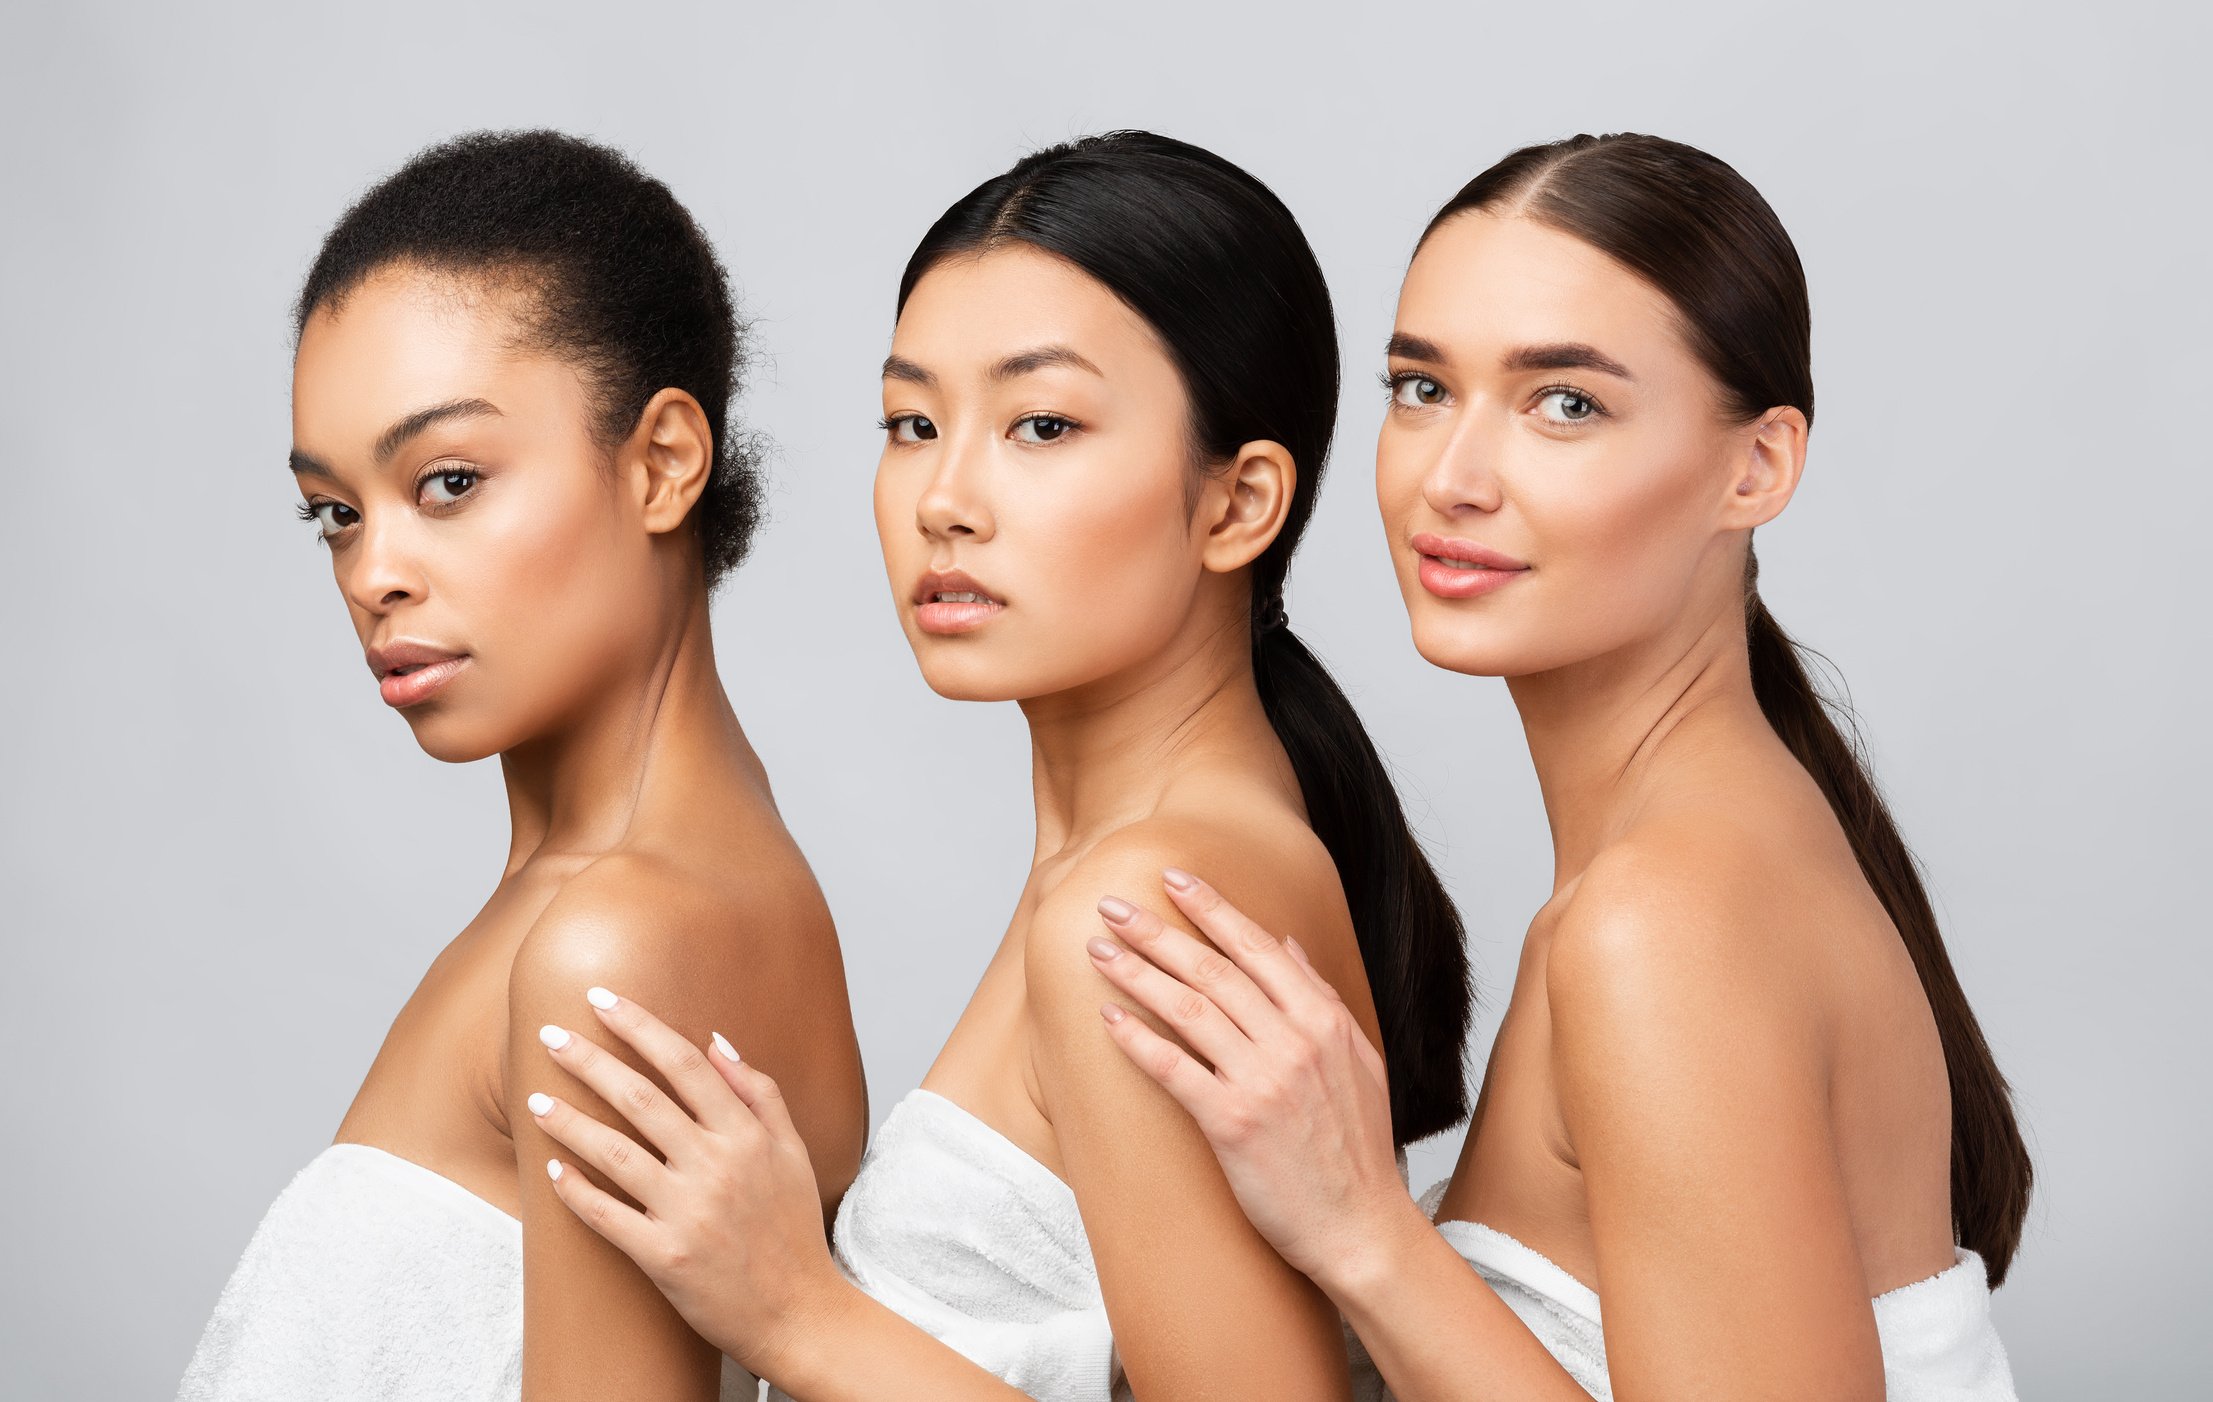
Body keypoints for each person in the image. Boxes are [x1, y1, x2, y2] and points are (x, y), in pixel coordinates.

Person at [525, 130, 1472, 1400]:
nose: (942, 497)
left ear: (1236, 504)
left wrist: (796, 1312)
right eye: (912, 421)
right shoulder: (1149, 866)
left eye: (1039, 423)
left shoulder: (1140, 907)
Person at [1086, 133, 2029, 1401]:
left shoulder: (1661, 925)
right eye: (1420, 388)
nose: (1451, 478)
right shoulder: (1693, 862)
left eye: (1562, 403)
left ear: (1755, 468)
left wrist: (1363, 1232)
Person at [176, 129, 867, 1402]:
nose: (372, 572)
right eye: (336, 510)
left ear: (661, 462)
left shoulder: (615, 943)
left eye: (446, 481)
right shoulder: (651, 893)